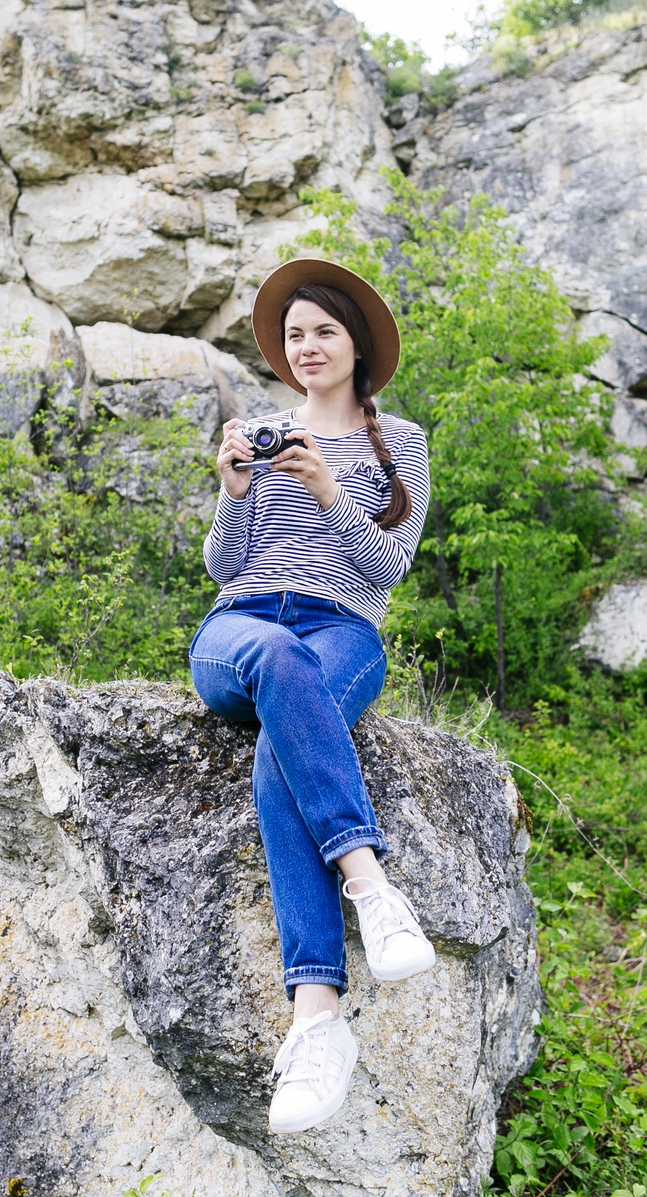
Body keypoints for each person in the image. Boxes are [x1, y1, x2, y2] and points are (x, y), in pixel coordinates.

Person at [187, 257, 436, 1134]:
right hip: (240, 629)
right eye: (295, 335)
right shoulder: (257, 430)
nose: (308, 347)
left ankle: (318, 1018)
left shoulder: (397, 444)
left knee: (281, 731)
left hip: (342, 630)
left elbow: (386, 570)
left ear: (356, 343)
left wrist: (330, 492)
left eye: (324, 330)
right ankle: (370, 884)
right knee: (273, 656)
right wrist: (234, 492)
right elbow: (222, 567)